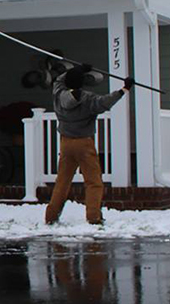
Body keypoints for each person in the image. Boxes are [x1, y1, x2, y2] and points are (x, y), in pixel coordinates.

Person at [44, 64, 133, 226]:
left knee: (62, 181)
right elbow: (105, 102)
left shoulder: (58, 93)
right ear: (82, 82)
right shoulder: (88, 99)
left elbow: (58, 80)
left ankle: (51, 216)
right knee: (93, 182)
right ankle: (93, 217)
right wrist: (124, 89)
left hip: (66, 143)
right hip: (84, 143)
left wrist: (78, 69)